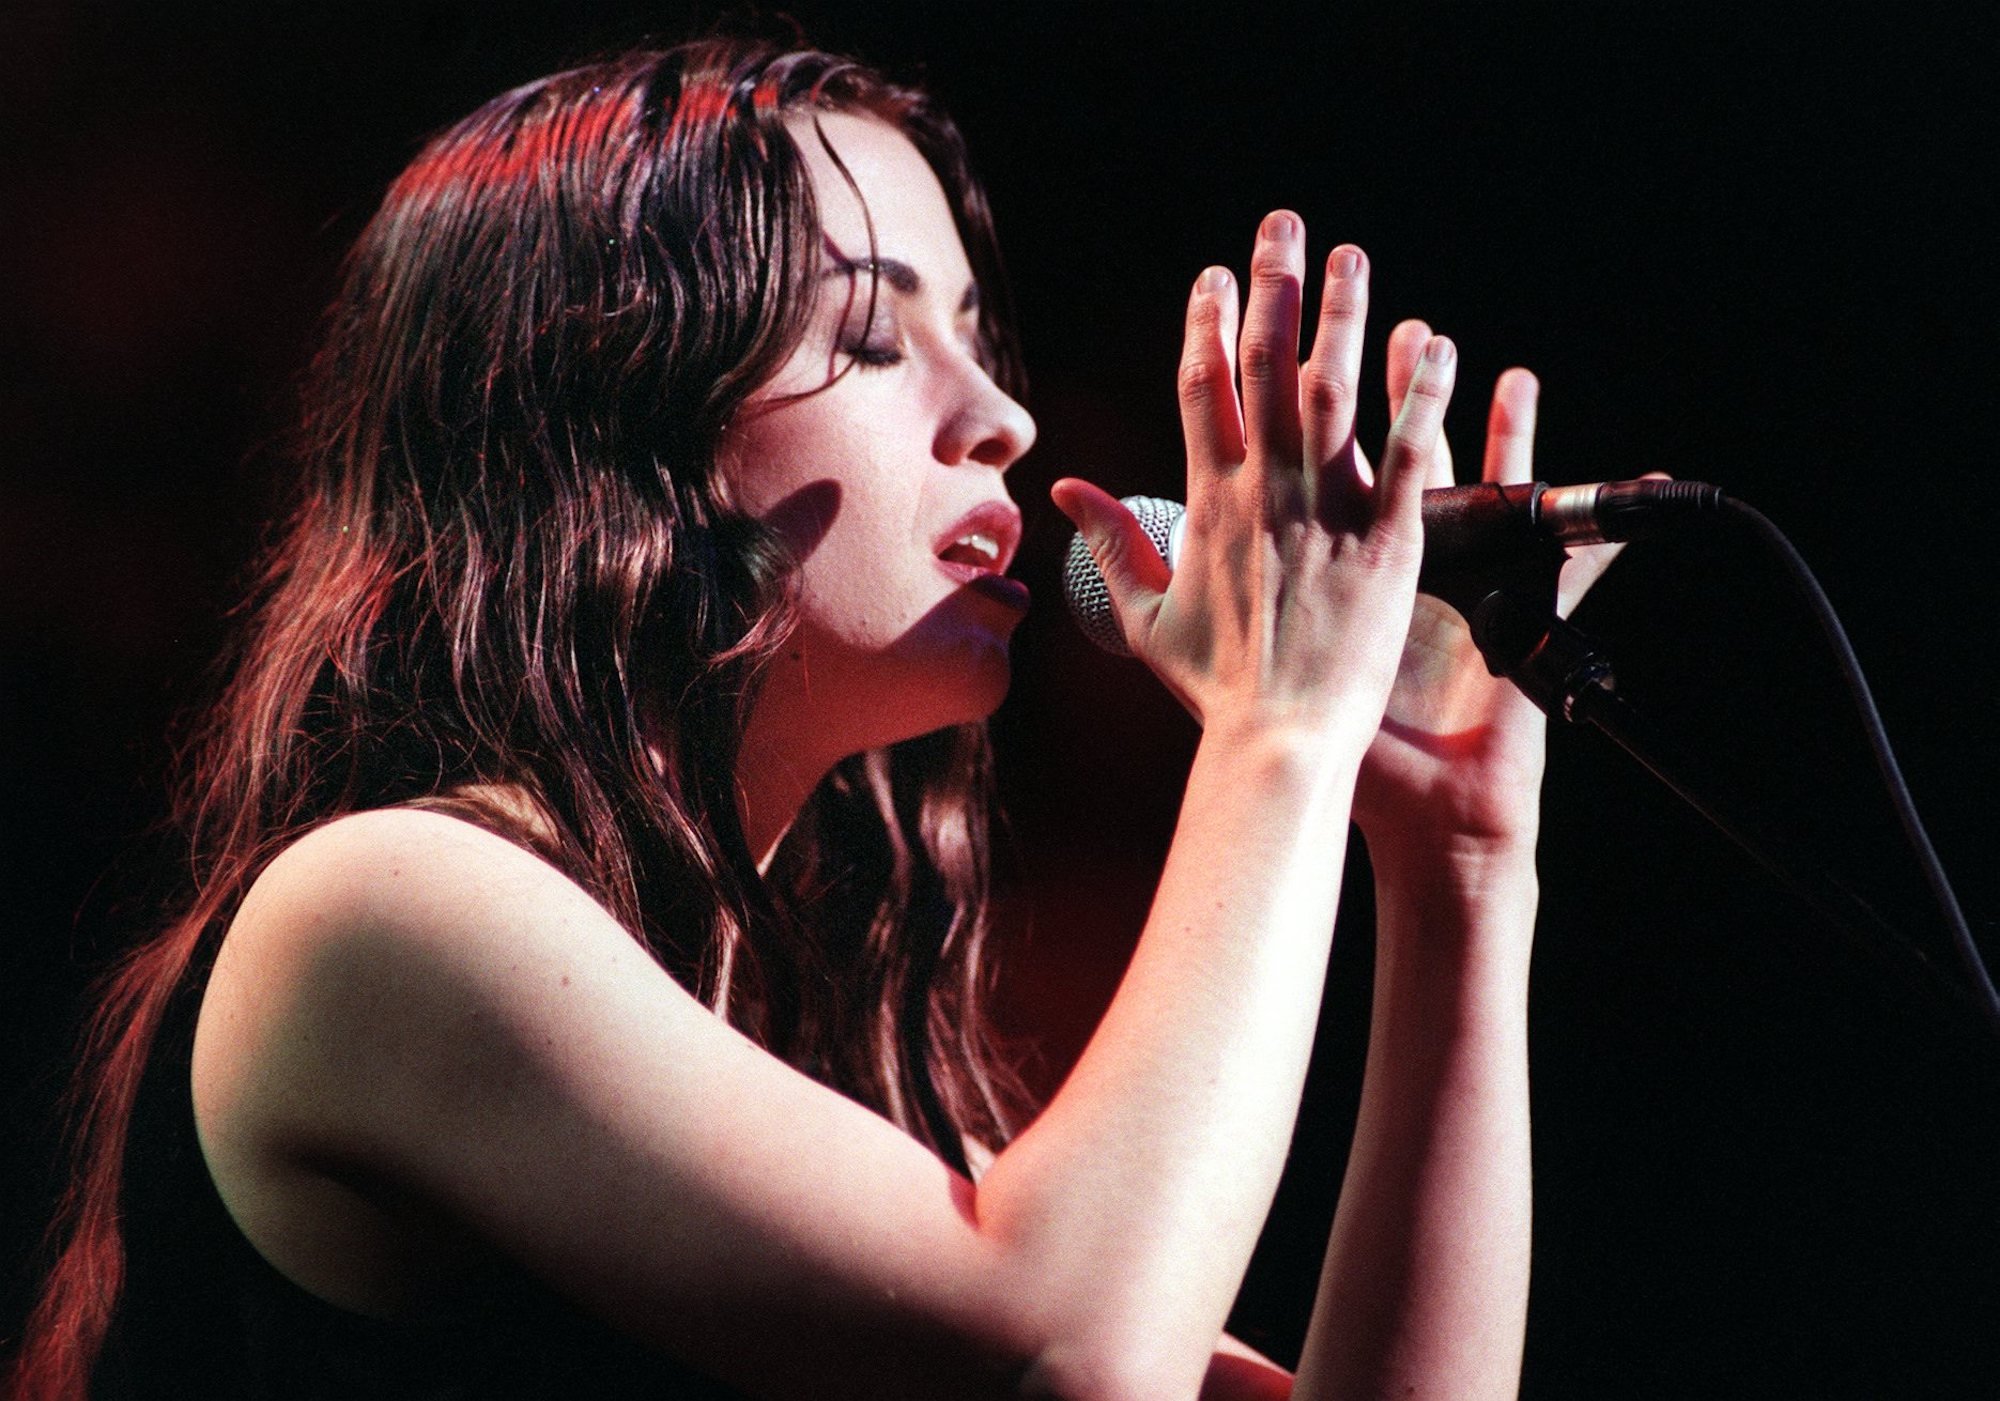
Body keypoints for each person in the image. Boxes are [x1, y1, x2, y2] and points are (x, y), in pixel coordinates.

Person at [10, 35, 1616, 1401]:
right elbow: (1070, 1345)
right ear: (619, 425)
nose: (999, 417)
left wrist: (1463, 876)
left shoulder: (812, 1070)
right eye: (868, 333)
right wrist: (1276, 736)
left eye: (979, 341)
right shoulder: (371, 916)